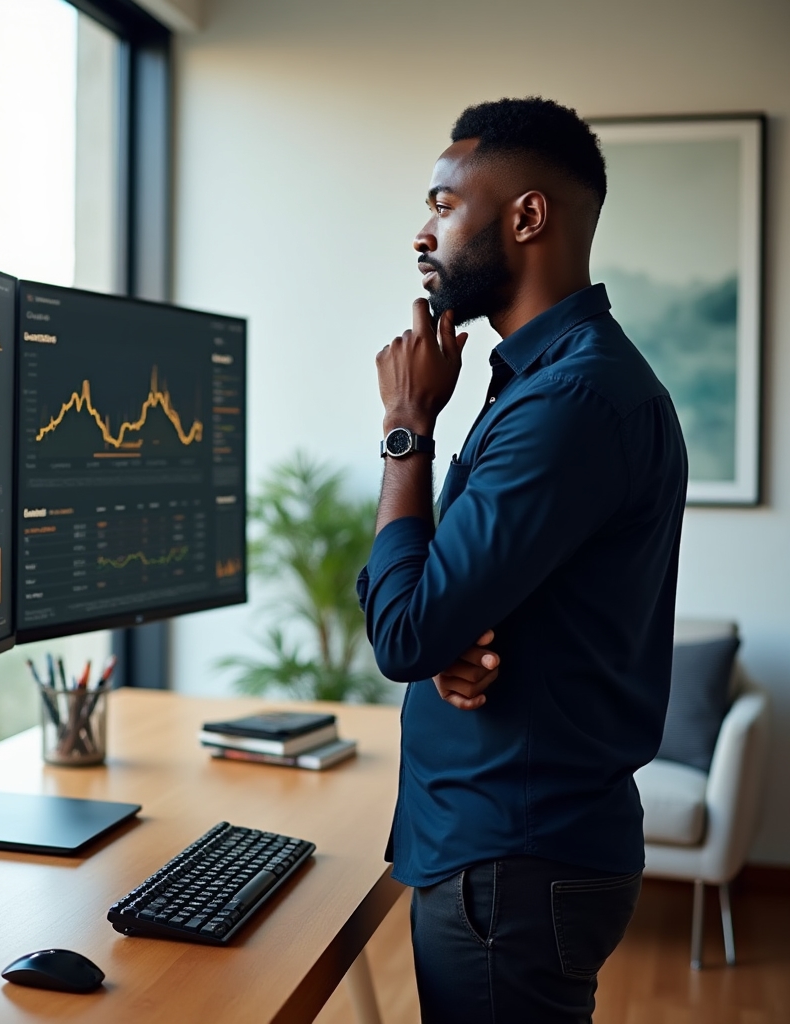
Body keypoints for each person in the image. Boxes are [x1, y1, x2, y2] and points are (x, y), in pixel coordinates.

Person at [356, 97, 688, 1023]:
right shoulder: (538, 385)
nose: (422, 234)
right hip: (506, 853)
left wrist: (405, 431)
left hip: (512, 863)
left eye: (443, 205)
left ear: (527, 216)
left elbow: (404, 624)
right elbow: (409, 600)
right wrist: (433, 624)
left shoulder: (569, 405)